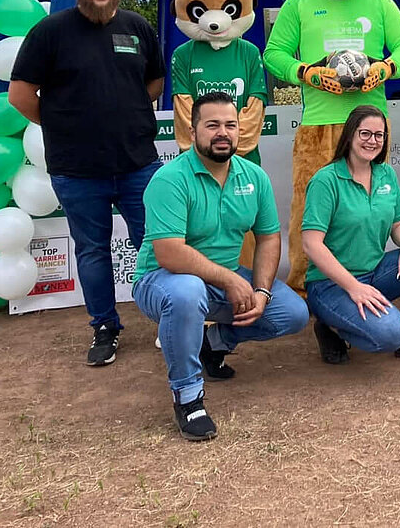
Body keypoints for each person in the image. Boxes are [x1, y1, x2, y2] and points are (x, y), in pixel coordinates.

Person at [9, 0, 165, 367]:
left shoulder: (138, 27)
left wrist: (125, 108)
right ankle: (105, 326)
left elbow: (154, 82)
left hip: (138, 164)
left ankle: (168, 320)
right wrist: (61, 124)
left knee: (156, 245)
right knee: (92, 251)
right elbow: (20, 95)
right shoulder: (50, 32)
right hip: (77, 170)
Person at [132, 92, 309, 441]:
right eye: (212, 125)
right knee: (187, 291)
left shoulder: (254, 176)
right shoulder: (169, 179)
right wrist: (230, 278)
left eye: (230, 125)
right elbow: (169, 254)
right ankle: (187, 396)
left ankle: (213, 342)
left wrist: (259, 290)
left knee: (293, 313)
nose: (222, 132)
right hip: (163, 281)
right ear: (191, 128)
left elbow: (269, 239)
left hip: (222, 280)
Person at [302, 105, 400, 367]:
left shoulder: (386, 174)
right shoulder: (326, 181)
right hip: (330, 285)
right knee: (389, 334)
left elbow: (399, 222)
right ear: (350, 135)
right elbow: (311, 245)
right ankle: (330, 327)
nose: (373, 141)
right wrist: (354, 287)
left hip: (373, 273)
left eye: (379, 135)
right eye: (365, 133)